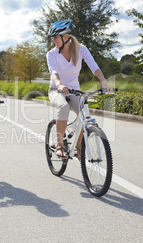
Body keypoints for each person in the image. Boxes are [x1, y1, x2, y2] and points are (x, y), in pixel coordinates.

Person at [47, 20, 113, 160]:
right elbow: (53, 72)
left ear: (65, 37)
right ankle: (59, 145)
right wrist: (59, 84)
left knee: (85, 114)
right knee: (63, 107)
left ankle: (78, 148)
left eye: (55, 37)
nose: (53, 41)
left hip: (74, 91)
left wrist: (103, 81)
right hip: (56, 89)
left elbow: (93, 66)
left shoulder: (81, 49)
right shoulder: (51, 54)